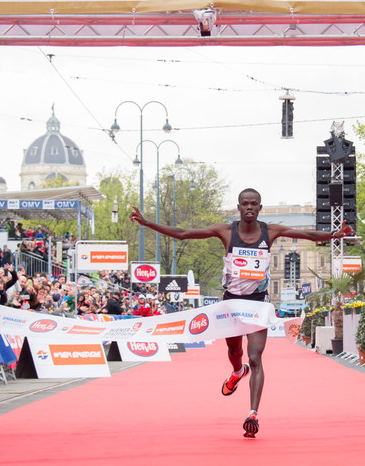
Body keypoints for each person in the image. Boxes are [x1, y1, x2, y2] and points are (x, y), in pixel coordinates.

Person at [130, 187, 351, 438]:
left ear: (260, 207)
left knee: (255, 357)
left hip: (258, 304)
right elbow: (183, 234)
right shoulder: (226, 231)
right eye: (245, 203)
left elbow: (308, 235)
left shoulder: (271, 231)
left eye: (253, 204)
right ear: (238, 207)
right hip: (232, 304)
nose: (249, 207)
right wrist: (147, 223)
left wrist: (334, 234)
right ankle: (237, 372)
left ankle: (253, 413)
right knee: (234, 352)